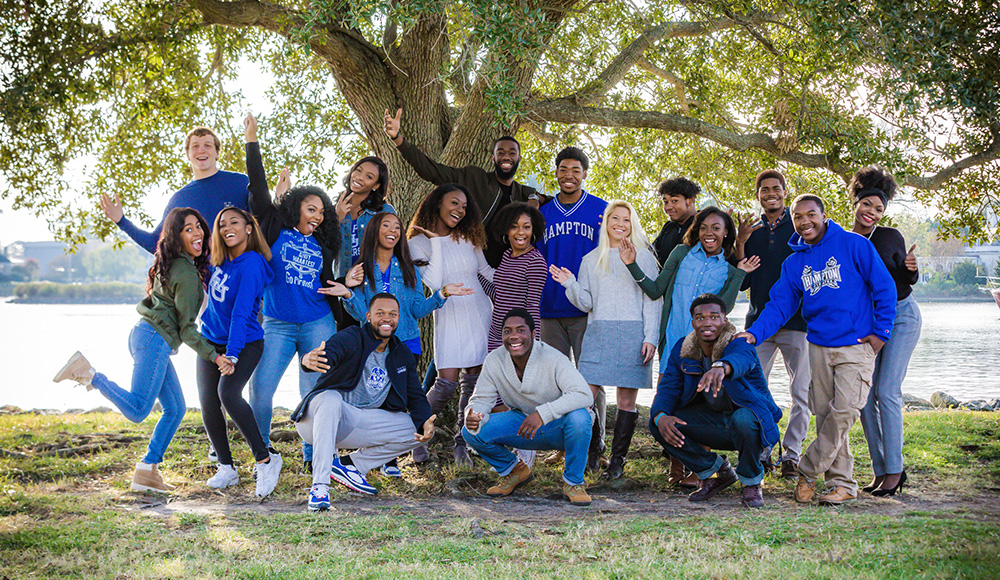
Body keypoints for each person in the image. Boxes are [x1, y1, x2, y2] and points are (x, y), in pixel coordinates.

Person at [53, 208, 233, 493]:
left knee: (175, 409)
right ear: (176, 236)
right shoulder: (186, 272)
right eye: (188, 229)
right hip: (153, 340)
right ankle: (90, 375)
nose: (197, 233)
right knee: (138, 410)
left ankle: (147, 470)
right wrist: (215, 355)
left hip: (148, 337)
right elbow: (187, 330)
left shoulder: (174, 262)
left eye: (198, 226)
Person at [737, 194, 896, 505]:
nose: (804, 221)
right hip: (818, 346)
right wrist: (755, 333)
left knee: (845, 411)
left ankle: (807, 470)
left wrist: (881, 333)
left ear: (824, 216)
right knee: (825, 417)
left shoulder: (854, 245)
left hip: (856, 345)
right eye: (798, 216)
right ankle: (842, 485)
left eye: (810, 214)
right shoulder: (794, 262)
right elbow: (779, 306)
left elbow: (884, 287)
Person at [323, 211, 471, 476]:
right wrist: (347, 293)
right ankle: (357, 455)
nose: (393, 231)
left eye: (397, 227)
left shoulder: (408, 267)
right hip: (373, 347)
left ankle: (389, 460)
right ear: (374, 230)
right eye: (386, 225)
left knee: (397, 402)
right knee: (373, 397)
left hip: (406, 344)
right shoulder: (361, 268)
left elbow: (417, 309)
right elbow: (362, 314)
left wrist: (442, 294)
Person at [243, 114, 341, 474]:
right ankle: (263, 453)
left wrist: (346, 284)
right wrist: (252, 140)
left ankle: (312, 453)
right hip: (277, 324)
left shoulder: (325, 243)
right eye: (310, 208)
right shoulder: (273, 228)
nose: (317, 216)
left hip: (318, 322)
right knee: (260, 389)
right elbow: (257, 189)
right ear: (295, 207)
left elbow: (329, 280)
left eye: (322, 212)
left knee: (313, 391)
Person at [291, 293, 437, 510]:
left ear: (399, 318)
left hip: (356, 422)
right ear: (368, 316)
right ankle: (320, 486)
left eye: (392, 314)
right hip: (317, 421)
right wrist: (307, 360)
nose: (386, 319)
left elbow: (415, 394)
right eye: (380, 313)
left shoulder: (402, 353)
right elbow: (330, 352)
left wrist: (425, 420)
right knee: (330, 397)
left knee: (417, 429)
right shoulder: (352, 337)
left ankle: (351, 465)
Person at [550, 200, 661, 480]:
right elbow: (586, 303)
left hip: (634, 334)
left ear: (633, 224)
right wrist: (570, 284)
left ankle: (617, 462)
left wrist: (651, 337)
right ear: (606, 222)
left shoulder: (644, 257)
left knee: (626, 401)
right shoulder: (591, 259)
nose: (620, 224)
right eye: (615, 218)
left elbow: (653, 299)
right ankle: (592, 452)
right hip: (598, 333)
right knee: (584, 396)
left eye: (626, 219)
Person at [651, 294, 782, 507]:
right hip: (712, 424)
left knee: (743, 418)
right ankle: (716, 471)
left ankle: (751, 483)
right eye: (700, 318)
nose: (707, 323)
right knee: (660, 421)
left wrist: (722, 367)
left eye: (714, 317)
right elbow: (668, 390)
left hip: (750, 424)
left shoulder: (739, 344)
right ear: (693, 322)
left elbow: (742, 360)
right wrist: (660, 416)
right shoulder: (682, 349)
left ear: (724, 320)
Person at [462, 308, 595, 506]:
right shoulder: (494, 360)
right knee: (471, 432)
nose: (513, 336)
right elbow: (481, 399)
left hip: (560, 426)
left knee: (580, 418)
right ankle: (514, 470)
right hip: (523, 425)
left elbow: (583, 395)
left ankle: (573, 483)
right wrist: (474, 414)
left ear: (533, 333)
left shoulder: (554, 358)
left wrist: (542, 414)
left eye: (520, 330)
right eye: (507, 331)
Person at [383, 108, 544, 268]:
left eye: (512, 153)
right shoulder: (474, 178)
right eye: (500, 153)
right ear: (493, 158)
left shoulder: (523, 193)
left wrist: (535, 198)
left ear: (519, 158)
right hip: (468, 266)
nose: (506, 157)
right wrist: (398, 139)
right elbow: (432, 171)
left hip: (505, 273)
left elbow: (555, 200)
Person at [197, 207, 281, 497]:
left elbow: (242, 313)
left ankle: (266, 460)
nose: (227, 228)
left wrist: (231, 355)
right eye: (222, 224)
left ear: (248, 228)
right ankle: (226, 468)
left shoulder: (253, 264)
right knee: (208, 401)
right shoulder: (219, 260)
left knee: (229, 394)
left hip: (244, 343)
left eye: (234, 222)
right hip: (210, 341)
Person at [408, 183, 494, 466]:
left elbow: (485, 271)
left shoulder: (467, 236)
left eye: (464, 206)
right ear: (437, 203)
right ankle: (417, 438)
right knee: (445, 384)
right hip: (449, 314)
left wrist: (516, 280)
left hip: (479, 311)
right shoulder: (417, 243)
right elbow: (433, 282)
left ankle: (462, 443)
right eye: (454, 203)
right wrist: (435, 241)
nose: (460, 210)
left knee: (473, 384)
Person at [733, 170, 811, 479]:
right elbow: (743, 282)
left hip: (798, 322)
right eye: (764, 189)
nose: (770, 193)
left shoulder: (800, 226)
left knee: (801, 391)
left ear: (785, 192)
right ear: (758, 195)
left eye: (776, 188)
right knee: (753, 388)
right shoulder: (752, 230)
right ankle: (763, 449)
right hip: (758, 324)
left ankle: (792, 454)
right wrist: (740, 242)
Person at [849, 167, 921, 497]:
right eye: (867, 205)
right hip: (870, 323)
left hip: (902, 316)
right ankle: (880, 470)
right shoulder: (845, 240)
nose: (872, 213)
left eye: (879, 209)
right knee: (865, 397)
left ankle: (895, 470)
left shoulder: (890, 236)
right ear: (856, 204)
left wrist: (911, 269)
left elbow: (904, 281)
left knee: (887, 391)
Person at [536, 146, 609, 471]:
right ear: (556, 173)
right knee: (555, 382)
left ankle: (597, 446)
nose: (569, 176)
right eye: (563, 169)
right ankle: (565, 444)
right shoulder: (543, 213)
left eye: (575, 170)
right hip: (549, 308)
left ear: (585, 174)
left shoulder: (601, 210)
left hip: (586, 309)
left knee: (592, 379)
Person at [100, 126, 250, 253]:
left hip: (246, 271)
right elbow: (156, 244)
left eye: (207, 145)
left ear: (217, 153)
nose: (201, 150)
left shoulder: (240, 182)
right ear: (188, 155)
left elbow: (260, 224)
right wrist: (122, 221)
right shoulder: (180, 199)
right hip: (206, 277)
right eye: (195, 146)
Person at [331, 155, 395, 330]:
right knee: (344, 340)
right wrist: (337, 218)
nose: (359, 177)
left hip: (373, 287)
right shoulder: (334, 208)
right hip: (343, 287)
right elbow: (323, 246)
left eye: (369, 176)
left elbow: (393, 249)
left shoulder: (384, 211)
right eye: (358, 170)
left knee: (374, 340)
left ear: (376, 185)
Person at [487, 203, 548, 352]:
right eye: (514, 227)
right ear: (506, 230)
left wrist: (534, 347)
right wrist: (473, 273)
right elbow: (499, 295)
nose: (521, 232)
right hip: (496, 336)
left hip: (517, 340)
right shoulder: (507, 255)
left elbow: (533, 306)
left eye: (526, 227)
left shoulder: (535, 261)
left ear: (533, 230)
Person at [650, 177, 699, 265]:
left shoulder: (704, 225)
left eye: (674, 201)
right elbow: (651, 254)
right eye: (666, 202)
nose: (668, 207)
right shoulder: (668, 228)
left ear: (690, 201)